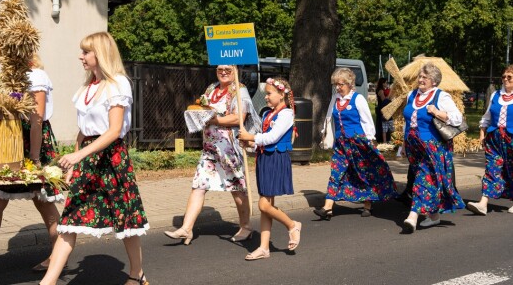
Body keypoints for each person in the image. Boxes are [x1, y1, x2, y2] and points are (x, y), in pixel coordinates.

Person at [39, 32, 149, 285]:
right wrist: (74, 164)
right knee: (70, 220)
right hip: (88, 158)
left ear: (101, 54)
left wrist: (78, 154)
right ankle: (48, 282)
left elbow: (113, 131)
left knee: (125, 219)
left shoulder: (118, 84)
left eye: (86, 52)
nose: (81, 56)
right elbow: (84, 130)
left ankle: (137, 273)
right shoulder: (88, 88)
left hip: (112, 159)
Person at [0, 54, 61, 278]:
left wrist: (33, 158)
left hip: (34, 144)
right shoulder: (8, 79)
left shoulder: (36, 76)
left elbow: (36, 120)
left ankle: (59, 255)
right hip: (11, 143)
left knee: (42, 201)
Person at [164, 65, 261, 245]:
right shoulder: (211, 88)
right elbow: (204, 108)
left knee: (237, 189)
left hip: (229, 147)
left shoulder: (240, 90)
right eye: (219, 69)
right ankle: (186, 228)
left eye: (227, 69)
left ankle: (246, 226)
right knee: (199, 185)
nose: (223, 72)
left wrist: (214, 119)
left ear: (235, 70)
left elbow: (238, 117)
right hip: (210, 146)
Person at [313, 68, 397, 220]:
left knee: (363, 172)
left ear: (350, 83)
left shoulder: (358, 99)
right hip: (341, 143)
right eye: (336, 84)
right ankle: (327, 207)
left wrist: (371, 140)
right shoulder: (335, 98)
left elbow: (367, 120)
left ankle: (367, 204)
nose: (338, 87)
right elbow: (328, 118)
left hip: (358, 142)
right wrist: (326, 134)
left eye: (341, 84)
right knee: (336, 173)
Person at [238, 77, 301, 260]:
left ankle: (292, 225)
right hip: (264, 159)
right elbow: (262, 139)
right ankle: (264, 247)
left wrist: (251, 136)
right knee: (267, 206)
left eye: (269, 93)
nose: (266, 97)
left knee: (263, 204)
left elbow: (272, 137)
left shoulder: (286, 114)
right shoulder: (267, 113)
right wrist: (249, 144)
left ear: (282, 95)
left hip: (276, 159)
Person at [401, 62, 465, 233]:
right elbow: (407, 122)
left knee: (423, 178)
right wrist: (403, 144)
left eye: (424, 77)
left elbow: (457, 118)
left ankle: (412, 216)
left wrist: (436, 112)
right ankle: (434, 217)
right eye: (420, 77)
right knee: (424, 178)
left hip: (432, 146)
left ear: (434, 81)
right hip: (413, 144)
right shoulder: (411, 95)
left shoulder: (441, 96)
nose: (420, 80)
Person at [466, 65, 513, 216]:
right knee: (491, 167)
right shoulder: (496, 95)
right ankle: (483, 203)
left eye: (509, 77)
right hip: (494, 138)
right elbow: (487, 116)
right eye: (504, 77)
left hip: (511, 138)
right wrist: (481, 132)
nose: (505, 79)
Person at [375, 77, 388, 143]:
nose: (386, 84)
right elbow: (383, 100)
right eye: (386, 82)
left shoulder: (379, 89)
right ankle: (381, 138)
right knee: (381, 123)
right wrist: (389, 97)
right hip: (381, 107)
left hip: (380, 107)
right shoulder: (381, 91)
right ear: (383, 83)